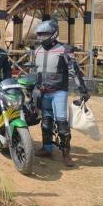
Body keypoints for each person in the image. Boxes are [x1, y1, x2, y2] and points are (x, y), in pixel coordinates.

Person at [33, 19, 89, 167]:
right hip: (42, 91)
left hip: (59, 91)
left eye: (45, 34)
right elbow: (34, 70)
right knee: (46, 122)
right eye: (39, 34)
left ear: (53, 33)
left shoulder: (64, 49)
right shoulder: (37, 50)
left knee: (62, 122)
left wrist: (82, 89)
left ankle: (66, 153)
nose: (41, 37)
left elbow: (74, 70)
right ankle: (47, 148)